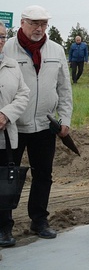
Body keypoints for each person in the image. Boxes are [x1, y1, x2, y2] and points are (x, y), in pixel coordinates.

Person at [2, 5, 73, 240]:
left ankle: (39, 220)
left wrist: (65, 119)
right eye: (34, 23)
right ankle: (4, 226)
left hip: (44, 125)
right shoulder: (8, 48)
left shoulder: (56, 50)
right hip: (12, 126)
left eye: (44, 24)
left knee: (43, 175)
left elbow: (64, 88)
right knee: (6, 176)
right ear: (22, 22)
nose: (39, 29)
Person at [0, 23, 30, 248]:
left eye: (2, 37)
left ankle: (5, 228)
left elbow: (23, 94)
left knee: (4, 184)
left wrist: (6, 114)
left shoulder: (11, 66)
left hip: (5, 137)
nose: (1, 41)